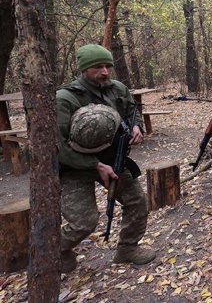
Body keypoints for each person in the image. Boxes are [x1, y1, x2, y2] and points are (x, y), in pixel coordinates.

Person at [56, 44, 157, 273]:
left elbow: (132, 110)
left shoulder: (117, 89)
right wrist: (94, 165)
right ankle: (56, 250)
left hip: (113, 159)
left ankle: (128, 248)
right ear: (83, 69)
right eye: (97, 67)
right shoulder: (65, 98)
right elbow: (58, 146)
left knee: (137, 201)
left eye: (107, 66)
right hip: (75, 166)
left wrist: (136, 127)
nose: (104, 72)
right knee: (84, 222)